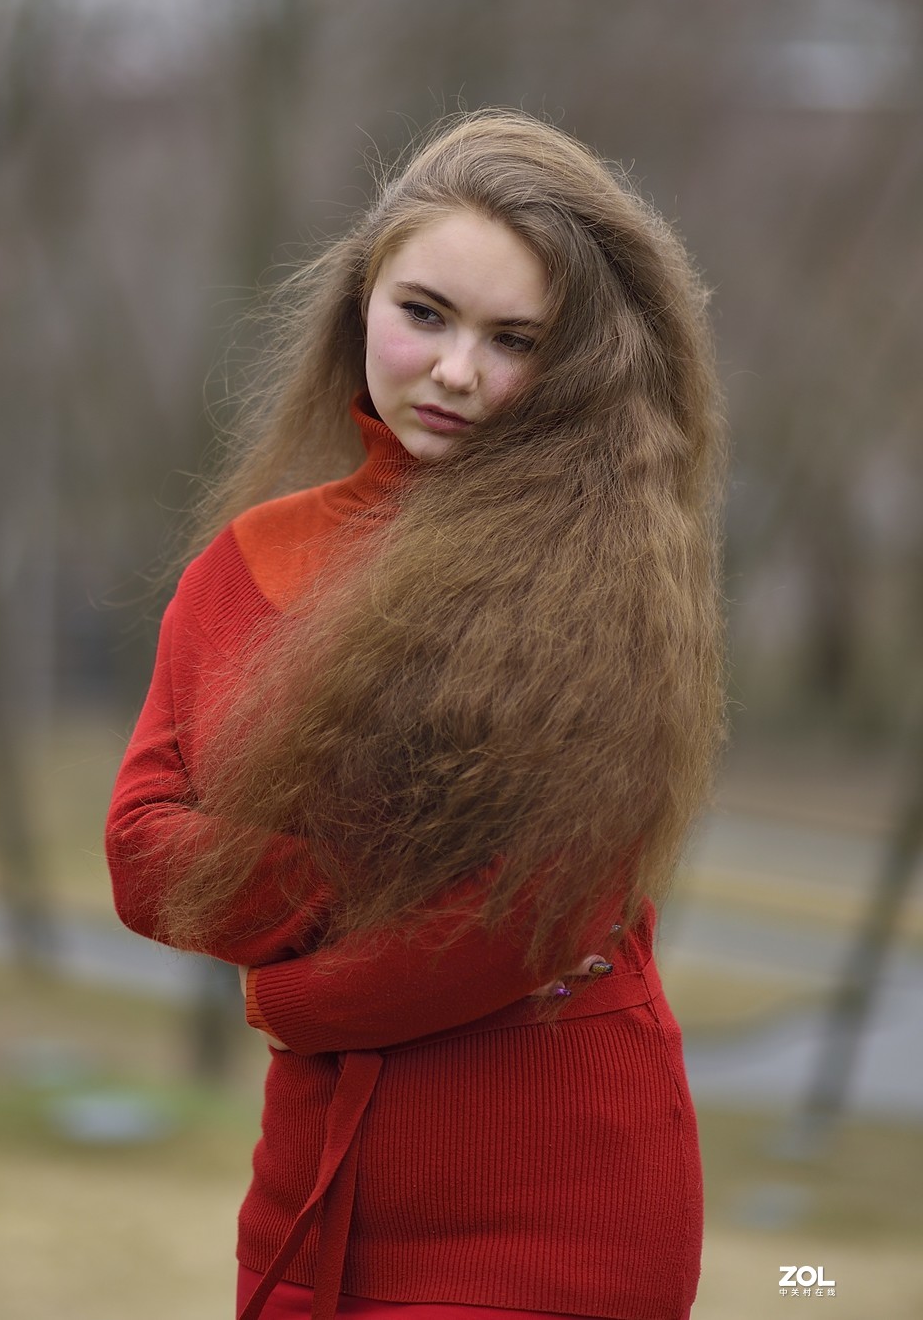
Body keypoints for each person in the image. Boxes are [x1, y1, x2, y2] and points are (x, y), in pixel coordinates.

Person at [105, 111, 726, 1320]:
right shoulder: (246, 562)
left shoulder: (611, 585)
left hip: (560, 1196)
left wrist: (286, 993)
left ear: (580, 363)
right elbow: (140, 857)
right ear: (361, 302)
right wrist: (384, 881)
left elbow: (523, 921)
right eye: (426, 313)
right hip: (309, 1189)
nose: (454, 370)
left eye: (515, 340)